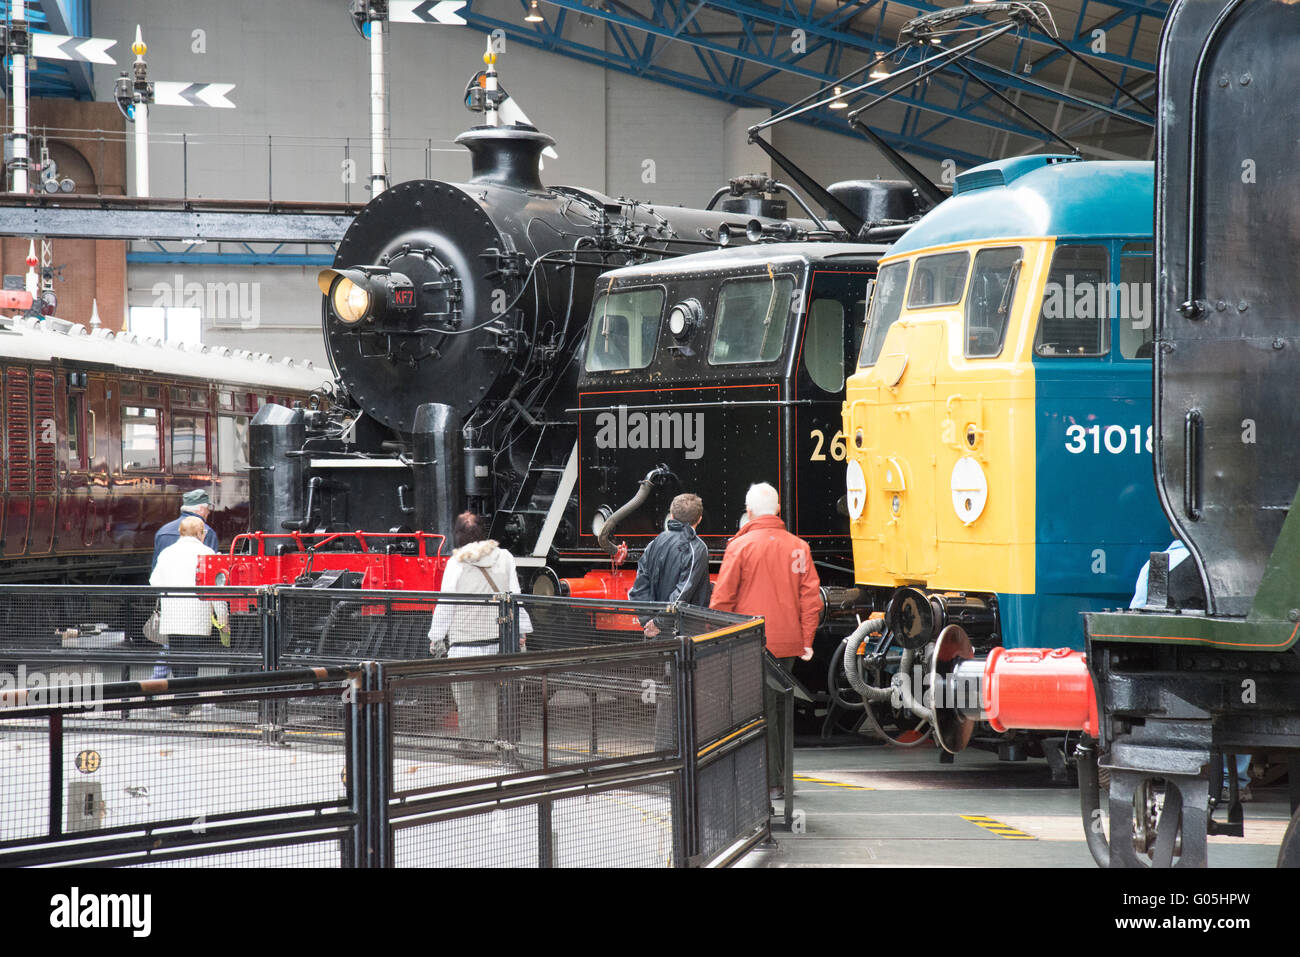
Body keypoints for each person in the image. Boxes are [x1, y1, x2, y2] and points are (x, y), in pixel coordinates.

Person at [711, 482, 821, 801]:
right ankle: (783, 778)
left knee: (762, 711)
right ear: (777, 509)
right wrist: (807, 640)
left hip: (751, 641)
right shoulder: (798, 547)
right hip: (787, 643)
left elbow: (723, 599)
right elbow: (810, 598)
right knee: (781, 707)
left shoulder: (739, 548)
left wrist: (716, 638)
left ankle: (771, 781)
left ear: (749, 512)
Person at [1130, 539, 1252, 800]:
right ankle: (1233, 782)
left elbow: (1136, 621)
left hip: (1175, 667)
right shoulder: (1248, 564)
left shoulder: (1157, 565)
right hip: (1237, 664)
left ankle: (1171, 768)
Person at [428, 512, 533, 752]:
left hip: (465, 647)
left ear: (457, 535)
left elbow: (446, 604)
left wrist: (436, 638)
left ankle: (472, 746)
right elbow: (515, 597)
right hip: (499, 644)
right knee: (492, 698)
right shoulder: (505, 557)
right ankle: (493, 745)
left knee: (468, 701)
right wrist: (521, 631)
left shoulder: (456, 563)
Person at [149, 516, 228, 713]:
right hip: (196, 615)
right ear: (200, 533)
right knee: (191, 659)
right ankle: (187, 700)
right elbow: (215, 590)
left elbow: (154, 580)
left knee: (176, 656)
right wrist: (223, 618)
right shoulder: (206, 552)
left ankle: (181, 699)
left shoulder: (167, 553)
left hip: (173, 614)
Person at [627, 492, 710, 637]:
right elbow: (683, 591)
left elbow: (638, 587)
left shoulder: (653, 543)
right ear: (699, 519)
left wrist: (649, 622)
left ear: (672, 515)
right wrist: (657, 623)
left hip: (654, 631)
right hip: (686, 632)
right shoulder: (697, 548)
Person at [153, 489, 218, 573]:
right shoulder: (206, 531)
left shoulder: (162, 531)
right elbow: (210, 570)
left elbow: (155, 570)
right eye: (207, 509)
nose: (208, 512)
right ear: (201, 509)